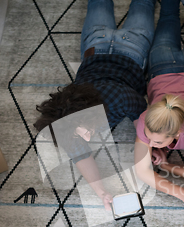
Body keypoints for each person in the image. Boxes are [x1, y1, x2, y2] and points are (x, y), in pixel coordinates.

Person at [33, 0, 156, 210]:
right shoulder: (66, 123)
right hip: (96, 43)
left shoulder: (119, 99)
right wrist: (101, 192)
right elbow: (81, 155)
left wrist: (149, 143)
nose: (89, 138)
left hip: (131, 50)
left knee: (144, 4)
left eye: (88, 130)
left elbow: (142, 114)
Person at [134, 0, 184, 209]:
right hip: (172, 65)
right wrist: (180, 190)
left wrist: (167, 166)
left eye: (158, 142)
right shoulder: (146, 120)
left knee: (183, 17)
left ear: (178, 133)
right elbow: (142, 171)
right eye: (150, 138)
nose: (150, 143)